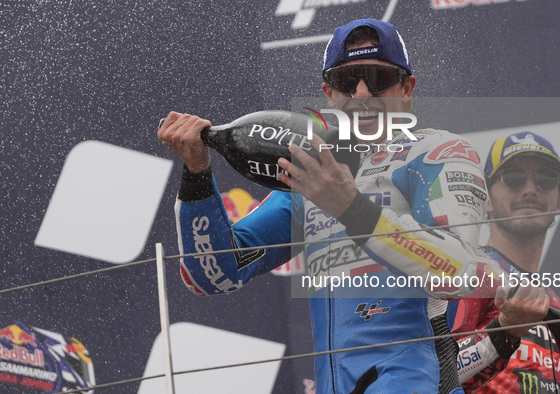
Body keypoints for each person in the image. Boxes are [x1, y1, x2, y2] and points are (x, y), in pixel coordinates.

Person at [158, 18, 505, 393]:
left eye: (377, 78)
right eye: (346, 80)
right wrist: (196, 174)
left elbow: (464, 273)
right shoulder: (312, 176)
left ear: (407, 88)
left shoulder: (436, 152)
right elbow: (213, 275)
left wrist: (352, 208)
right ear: (328, 93)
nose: (362, 93)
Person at [453, 131, 560, 393]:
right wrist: (503, 330)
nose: (530, 189)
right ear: (487, 202)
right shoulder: (465, 274)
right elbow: (433, 376)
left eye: (546, 179)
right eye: (513, 178)